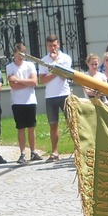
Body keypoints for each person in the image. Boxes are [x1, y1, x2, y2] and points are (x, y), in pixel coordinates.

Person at [38, 34, 72, 163]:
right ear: (47, 46)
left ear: (58, 45)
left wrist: (55, 65)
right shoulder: (44, 60)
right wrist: (54, 69)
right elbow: (42, 80)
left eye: (54, 45)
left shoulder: (65, 58)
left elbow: (64, 76)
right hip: (50, 96)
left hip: (64, 94)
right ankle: (54, 151)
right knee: (53, 125)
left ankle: (78, 149)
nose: (53, 48)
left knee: (71, 123)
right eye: (50, 45)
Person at [7, 43, 43, 164]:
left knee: (31, 127)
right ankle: (22, 152)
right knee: (21, 128)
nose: (21, 57)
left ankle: (33, 152)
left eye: (23, 54)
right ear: (15, 54)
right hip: (17, 101)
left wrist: (17, 79)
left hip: (30, 100)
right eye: (19, 54)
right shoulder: (10, 67)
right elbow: (13, 86)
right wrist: (24, 83)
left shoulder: (30, 65)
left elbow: (34, 82)